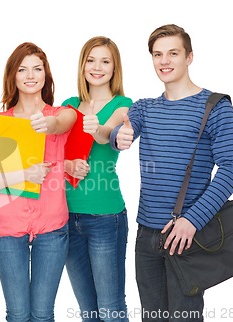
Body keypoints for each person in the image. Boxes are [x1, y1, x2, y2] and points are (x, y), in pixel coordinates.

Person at [110, 24, 233, 321]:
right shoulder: (145, 108)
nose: (164, 61)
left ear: (189, 57)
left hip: (187, 237)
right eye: (158, 54)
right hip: (146, 236)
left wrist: (192, 221)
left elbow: (231, 169)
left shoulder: (215, 106)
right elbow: (120, 133)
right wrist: (118, 136)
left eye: (173, 53)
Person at [0, 42, 76, 322]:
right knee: (18, 315)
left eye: (37, 68)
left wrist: (49, 125)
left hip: (53, 226)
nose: (31, 75)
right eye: (22, 69)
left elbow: (66, 121)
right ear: (13, 76)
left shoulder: (60, 115)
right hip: (8, 227)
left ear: (46, 74)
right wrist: (24, 175)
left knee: (43, 315)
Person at [62, 36, 132, 322]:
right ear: (82, 65)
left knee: (111, 310)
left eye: (105, 61)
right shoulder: (68, 105)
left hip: (106, 217)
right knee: (88, 312)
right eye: (91, 60)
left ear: (115, 68)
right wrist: (68, 164)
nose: (97, 67)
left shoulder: (124, 105)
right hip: (66, 216)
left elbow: (109, 135)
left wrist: (97, 128)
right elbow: (51, 156)